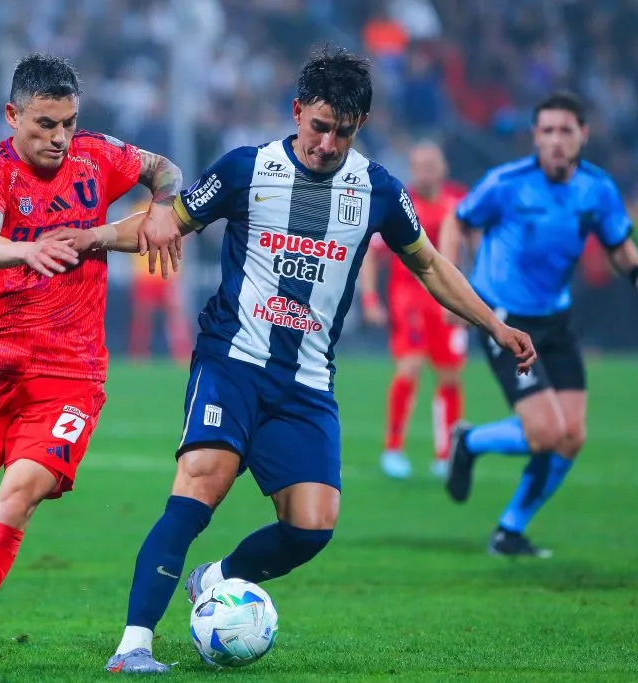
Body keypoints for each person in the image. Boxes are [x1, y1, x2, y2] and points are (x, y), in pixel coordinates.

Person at [101, 47, 535, 674]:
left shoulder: (378, 190)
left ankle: (215, 578)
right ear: (297, 110)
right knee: (197, 487)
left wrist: (494, 324)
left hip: (305, 382)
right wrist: (88, 239)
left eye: (344, 132)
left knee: (311, 527)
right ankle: (133, 648)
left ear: (360, 128)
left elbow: (432, 265)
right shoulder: (246, 169)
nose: (328, 143)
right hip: (233, 360)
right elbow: (166, 220)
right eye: (320, 126)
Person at [0, 53, 183, 673]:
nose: (58, 138)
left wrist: (161, 203)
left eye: (67, 124)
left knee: (15, 497)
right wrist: (29, 252)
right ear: (12, 115)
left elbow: (165, 168)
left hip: (71, 376)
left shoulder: (97, 156)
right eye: (44, 124)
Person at [443, 91, 638, 558]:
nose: (556, 140)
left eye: (566, 130)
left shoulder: (597, 189)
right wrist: (453, 281)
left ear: (583, 135)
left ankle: (509, 530)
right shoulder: (506, 182)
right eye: (547, 131)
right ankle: (470, 442)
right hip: (504, 317)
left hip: (555, 318)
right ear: (534, 137)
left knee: (571, 437)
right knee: (545, 433)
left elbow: (618, 242)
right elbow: (457, 219)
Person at [359, 142, 467, 480]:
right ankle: (393, 448)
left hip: (447, 301)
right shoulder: (399, 202)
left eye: (431, 164)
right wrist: (370, 299)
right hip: (409, 299)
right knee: (411, 367)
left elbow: (471, 246)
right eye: (418, 165)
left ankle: (445, 453)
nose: (425, 171)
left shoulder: (458, 202)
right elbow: (371, 253)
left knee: (449, 375)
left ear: (444, 166)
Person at [126, 196, 192, 363]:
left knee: (175, 316)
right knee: (143, 317)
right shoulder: (140, 209)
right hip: (146, 275)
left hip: (168, 275)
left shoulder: (173, 209)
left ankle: (182, 354)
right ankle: (138, 356)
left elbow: (185, 233)